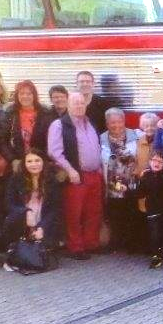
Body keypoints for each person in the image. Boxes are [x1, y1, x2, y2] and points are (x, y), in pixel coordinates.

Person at [47, 91, 104, 260]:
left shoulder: (90, 123)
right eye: (75, 103)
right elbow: (54, 152)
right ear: (68, 106)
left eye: (81, 103)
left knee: (94, 212)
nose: (79, 106)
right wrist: (70, 170)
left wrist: (100, 169)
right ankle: (76, 247)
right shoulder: (59, 125)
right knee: (74, 213)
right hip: (76, 176)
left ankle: (91, 243)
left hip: (95, 175)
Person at [2, 149, 64, 260]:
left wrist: (42, 227)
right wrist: (26, 212)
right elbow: (9, 204)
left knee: (41, 255)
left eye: (37, 160)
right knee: (11, 220)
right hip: (23, 220)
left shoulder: (52, 181)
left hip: (44, 221)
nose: (33, 164)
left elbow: (54, 210)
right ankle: (14, 249)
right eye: (29, 161)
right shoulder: (15, 179)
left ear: (43, 162)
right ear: (24, 164)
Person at [101, 108, 141, 253]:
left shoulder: (136, 135)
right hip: (112, 183)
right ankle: (117, 242)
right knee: (115, 212)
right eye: (112, 122)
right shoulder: (102, 138)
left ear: (124, 121)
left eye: (119, 121)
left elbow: (150, 134)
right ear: (107, 123)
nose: (116, 125)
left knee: (131, 211)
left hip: (131, 181)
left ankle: (131, 243)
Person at [135, 149, 163, 269]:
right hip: (152, 210)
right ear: (149, 161)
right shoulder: (146, 176)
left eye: (160, 161)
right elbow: (140, 193)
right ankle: (156, 255)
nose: (157, 163)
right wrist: (130, 188)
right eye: (154, 160)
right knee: (155, 234)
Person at [1, 80, 55, 166]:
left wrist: (43, 159)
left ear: (34, 95)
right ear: (17, 96)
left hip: (40, 161)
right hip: (18, 161)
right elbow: (3, 140)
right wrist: (12, 159)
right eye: (22, 93)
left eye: (29, 93)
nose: (25, 96)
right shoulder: (10, 113)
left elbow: (51, 140)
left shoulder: (45, 113)